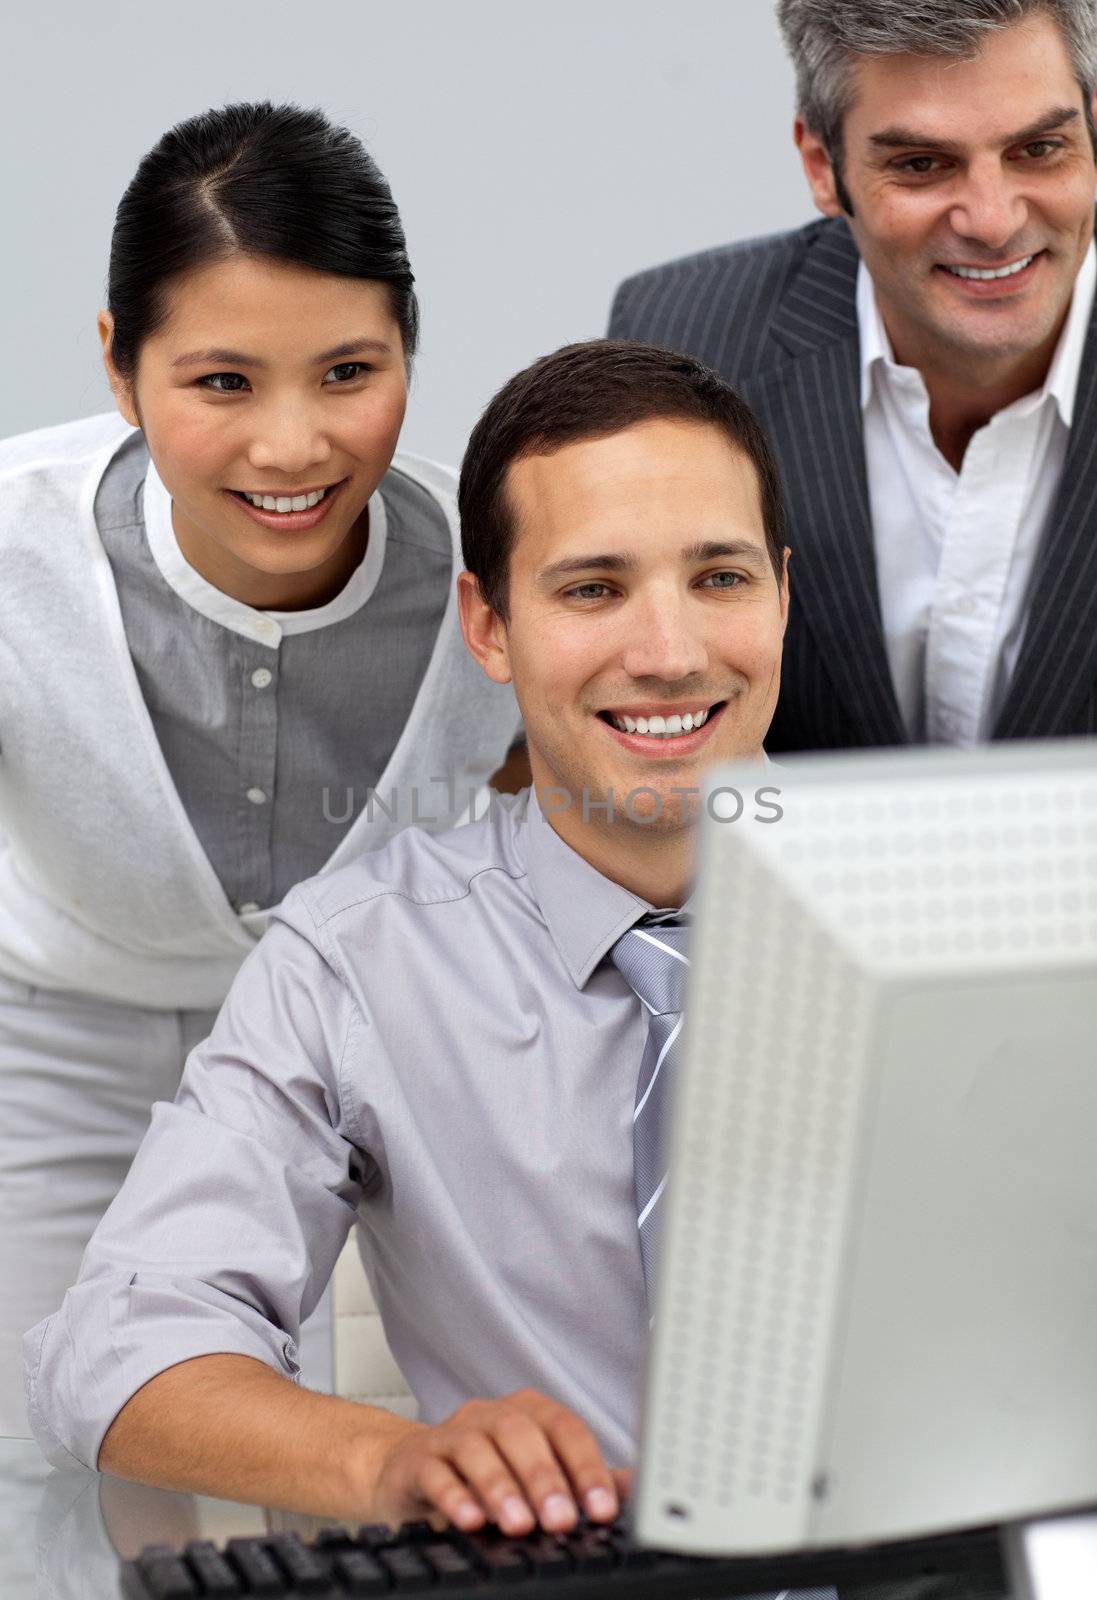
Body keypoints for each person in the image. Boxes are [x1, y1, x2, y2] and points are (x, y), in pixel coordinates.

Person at [26, 340, 790, 1535]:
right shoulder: (356, 960)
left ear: (781, 592)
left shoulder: (967, 904)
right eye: (591, 588)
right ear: (487, 626)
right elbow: (113, 1348)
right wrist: (394, 1464)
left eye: (719, 579)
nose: (670, 652)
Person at [0, 101, 521, 1435]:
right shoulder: (17, 553)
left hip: (339, 1053)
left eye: (349, 374)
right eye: (222, 382)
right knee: (34, 1461)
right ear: (121, 367)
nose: (294, 448)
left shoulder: (490, 575)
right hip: (50, 1038)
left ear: (408, 350)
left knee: (323, 1458)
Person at [610, 0, 1097, 754]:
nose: (992, 220)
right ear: (821, 167)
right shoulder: (684, 343)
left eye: (1038, 149)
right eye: (920, 164)